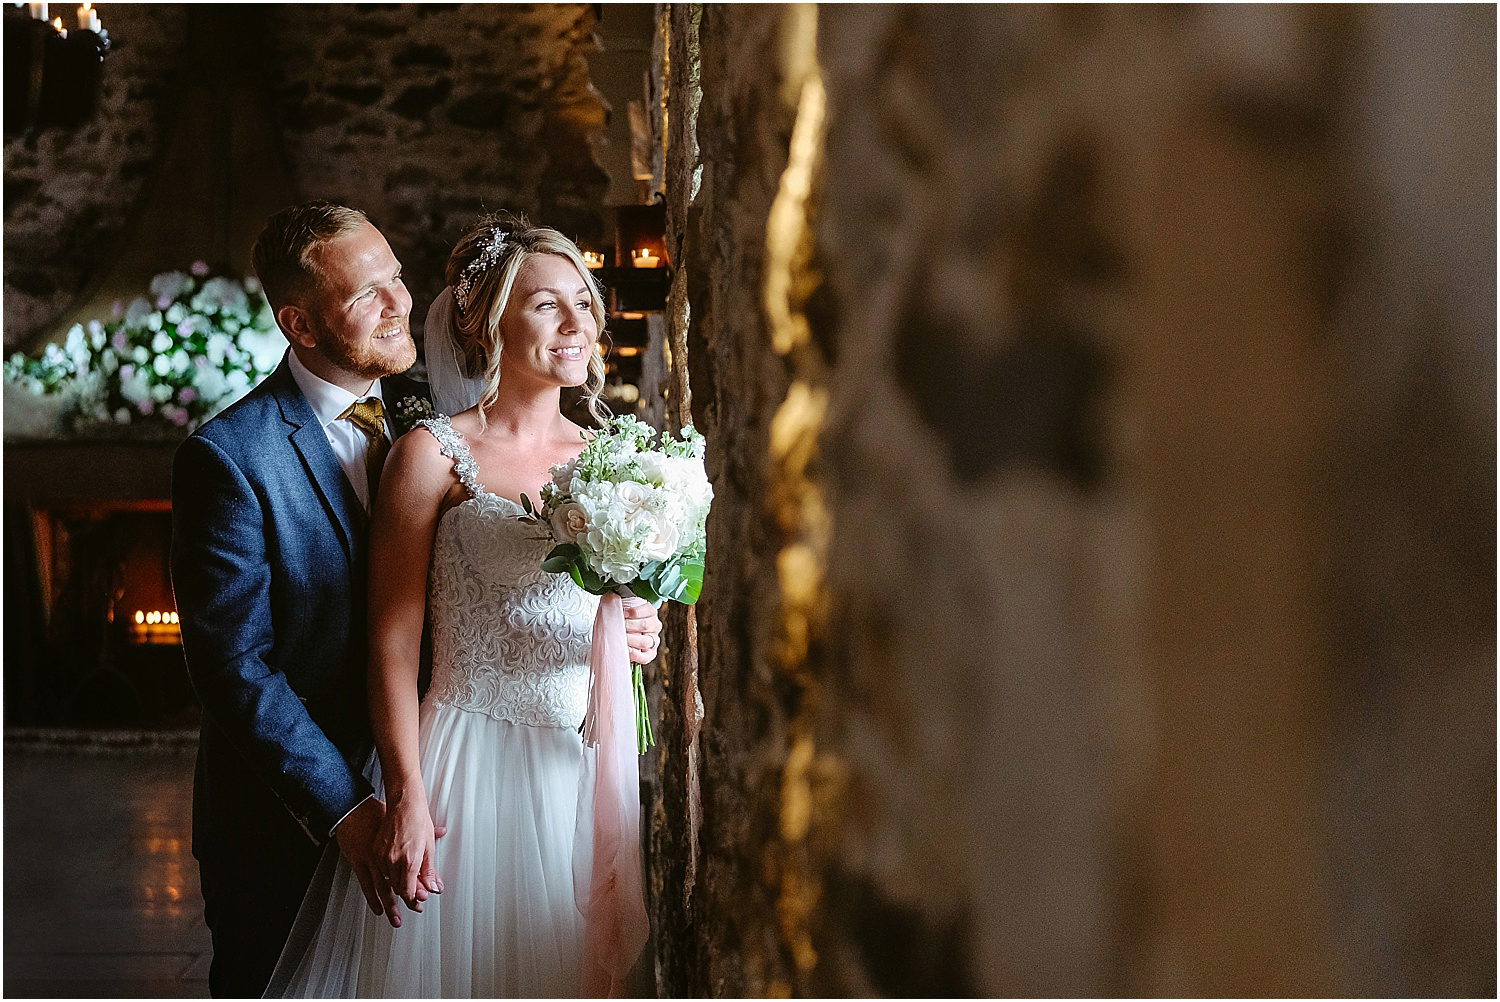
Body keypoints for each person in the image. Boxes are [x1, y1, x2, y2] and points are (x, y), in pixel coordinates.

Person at [170, 201, 661, 998]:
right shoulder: (231, 458)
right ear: (299, 324)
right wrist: (361, 804)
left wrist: (626, 620)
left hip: (524, 769)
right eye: (367, 294)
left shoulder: (420, 409)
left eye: (396, 278)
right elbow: (233, 667)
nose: (399, 302)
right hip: (299, 811)